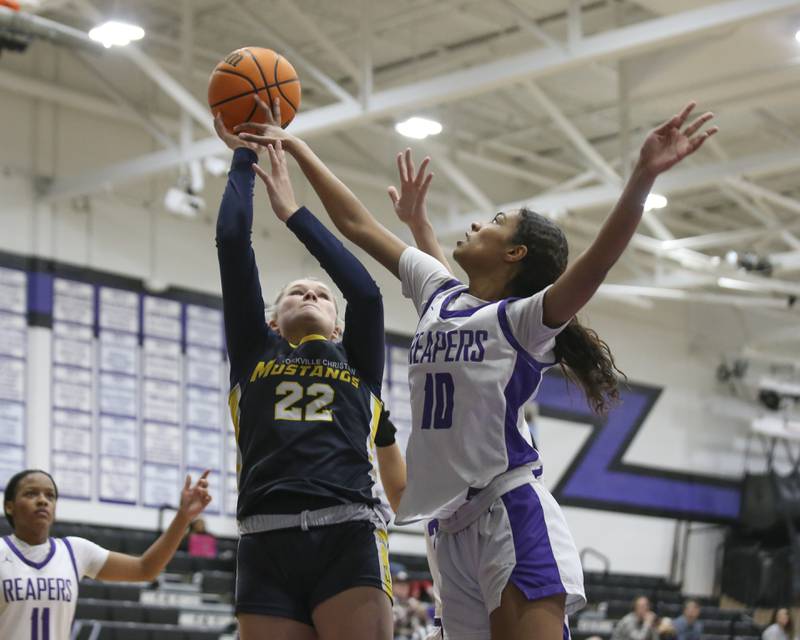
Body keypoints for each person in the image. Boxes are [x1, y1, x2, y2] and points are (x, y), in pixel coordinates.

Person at [238, 99, 717, 640]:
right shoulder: (438, 294)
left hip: (506, 509)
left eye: (494, 222)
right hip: (447, 528)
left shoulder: (525, 320)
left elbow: (597, 262)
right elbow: (356, 224)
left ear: (514, 253)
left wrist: (641, 177)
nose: (475, 222)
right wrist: (299, 149)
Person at [213, 104, 406, 640]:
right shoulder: (254, 350)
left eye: (321, 293)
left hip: (346, 532)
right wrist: (242, 158)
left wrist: (293, 212)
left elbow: (365, 292)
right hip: (263, 537)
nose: (311, 292)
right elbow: (232, 241)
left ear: (338, 327)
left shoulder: (357, 359)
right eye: (296, 291)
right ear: (273, 318)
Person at [0, 468, 211, 638]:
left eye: (50, 495)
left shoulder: (75, 551)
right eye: (31, 493)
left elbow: (145, 569)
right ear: (9, 507)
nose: (42, 500)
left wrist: (183, 517)